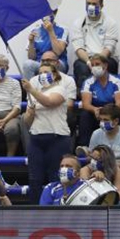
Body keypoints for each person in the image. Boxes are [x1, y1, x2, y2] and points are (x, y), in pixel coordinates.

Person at [22, 63, 71, 203]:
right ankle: (34, 213)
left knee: (55, 177)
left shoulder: (60, 89)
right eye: (40, 72)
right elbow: (27, 121)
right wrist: (30, 113)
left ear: (55, 74)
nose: (42, 75)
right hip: (36, 138)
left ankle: (56, 208)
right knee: (34, 178)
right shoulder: (34, 93)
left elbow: (50, 102)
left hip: (57, 138)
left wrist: (31, 90)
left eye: (46, 72)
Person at [71, 0, 120, 87]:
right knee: (81, 67)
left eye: (94, 4)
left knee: (109, 66)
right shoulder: (78, 23)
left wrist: (98, 62)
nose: (91, 7)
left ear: (101, 5)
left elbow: (109, 48)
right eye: (88, 4)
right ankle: (84, 97)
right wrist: (90, 62)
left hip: (106, 58)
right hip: (86, 58)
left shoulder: (110, 23)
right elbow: (79, 48)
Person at [88, 104, 120, 193]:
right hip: (102, 167)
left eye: (105, 120)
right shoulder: (96, 134)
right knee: (85, 170)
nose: (102, 123)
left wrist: (113, 165)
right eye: (100, 120)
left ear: (115, 121)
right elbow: (90, 158)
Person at [77, 54, 120, 148]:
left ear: (105, 65)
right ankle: (85, 146)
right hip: (95, 111)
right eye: (93, 65)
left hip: (112, 110)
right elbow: (86, 104)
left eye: (97, 64)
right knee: (85, 115)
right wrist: (95, 110)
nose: (95, 67)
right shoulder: (88, 82)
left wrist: (107, 112)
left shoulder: (117, 81)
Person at [23, 10, 69, 79]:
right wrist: (31, 42)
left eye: (49, 13)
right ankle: (30, 89)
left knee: (53, 63)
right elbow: (31, 58)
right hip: (40, 63)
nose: (45, 16)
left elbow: (58, 51)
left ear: (55, 13)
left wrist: (50, 31)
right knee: (27, 64)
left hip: (57, 62)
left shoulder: (63, 29)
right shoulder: (35, 30)